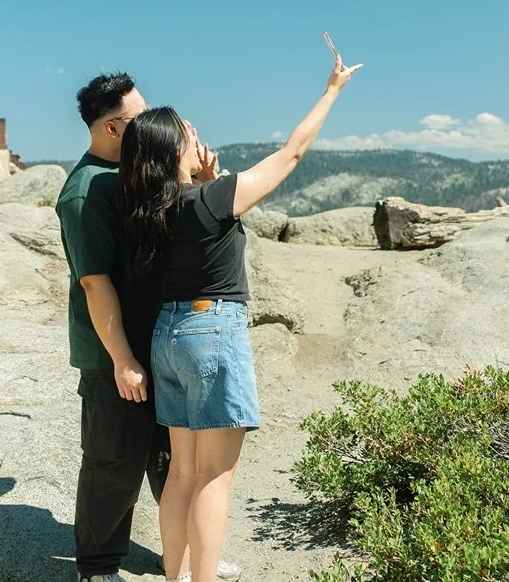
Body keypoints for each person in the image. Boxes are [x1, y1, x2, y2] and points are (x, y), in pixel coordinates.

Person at [119, 37, 362, 582]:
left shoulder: (147, 212)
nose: (199, 138)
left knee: (182, 472)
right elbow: (292, 154)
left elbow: (194, 231)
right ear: (173, 152)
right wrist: (331, 91)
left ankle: (175, 575)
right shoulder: (213, 199)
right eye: (191, 135)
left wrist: (204, 182)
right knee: (213, 479)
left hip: (168, 336)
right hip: (213, 331)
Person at [56, 72, 242, 582]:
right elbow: (95, 284)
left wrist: (204, 184)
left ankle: (181, 555)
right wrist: (121, 359)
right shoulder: (86, 193)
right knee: (112, 461)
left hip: (161, 340)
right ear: (114, 129)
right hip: (113, 352)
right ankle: (96, 567)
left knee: (171, 456)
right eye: (141, 118)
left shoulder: (136, 176)